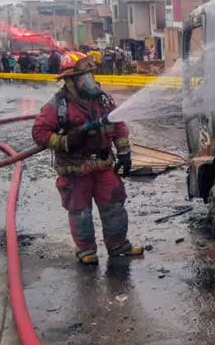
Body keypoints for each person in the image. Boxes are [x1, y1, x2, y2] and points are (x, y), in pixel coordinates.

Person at [31, 51, 143, 265]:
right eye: (84, 76)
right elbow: (39, 132)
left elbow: (118, 124)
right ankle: (86, 250)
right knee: (80, 211)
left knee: (115, 206)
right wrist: (64, 141)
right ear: (70, 80)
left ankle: (119, 246)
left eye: (90, 75)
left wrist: (124, 152)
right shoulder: (57, 106)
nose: (89, 80)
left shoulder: (102, 99)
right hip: (75, 170)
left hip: (102, 165)